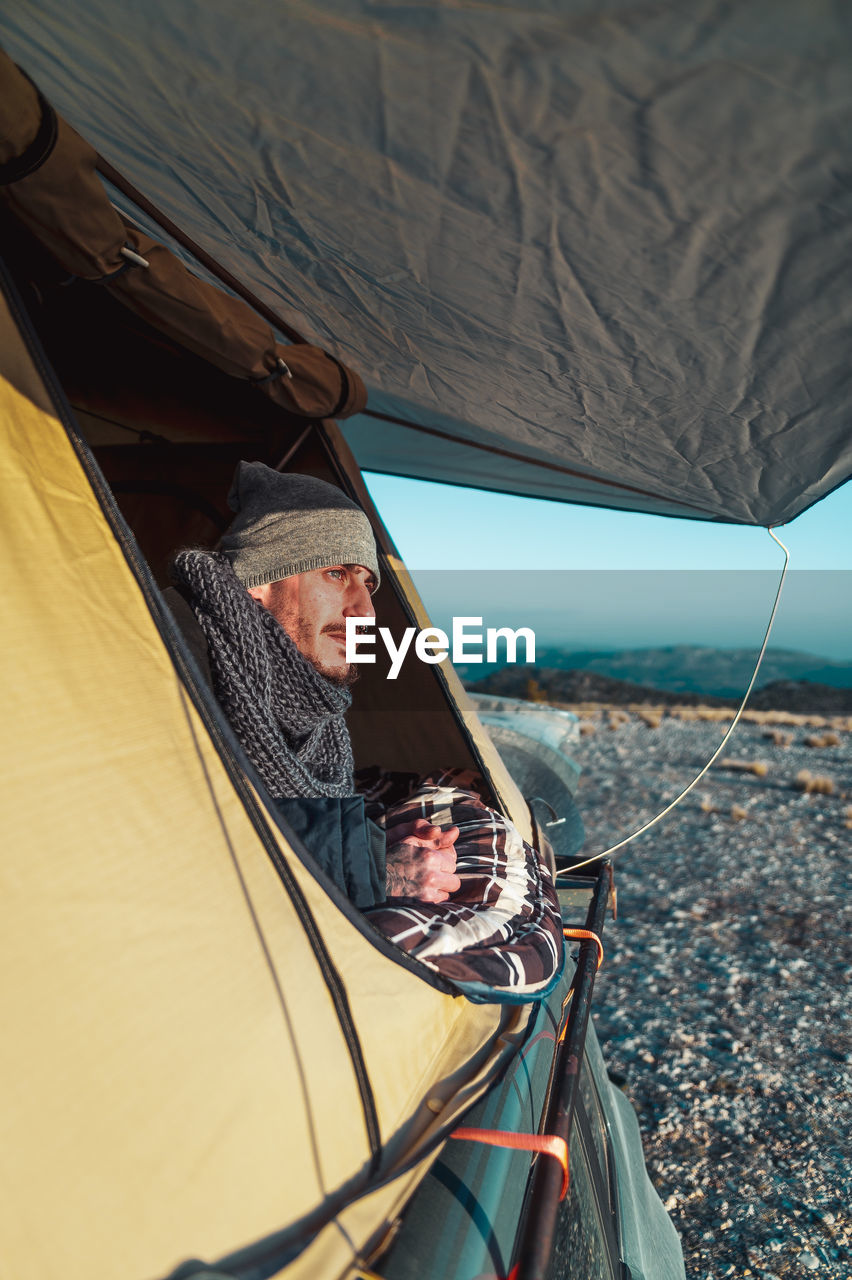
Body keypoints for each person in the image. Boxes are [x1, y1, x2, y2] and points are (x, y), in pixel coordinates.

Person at [166, 460, 460, 910]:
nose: (365, 613)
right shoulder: (172, 653)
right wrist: (377, 871)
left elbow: (279, 814)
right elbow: (181, 836)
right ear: (259, 581)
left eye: (368, 584)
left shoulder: (308, 704)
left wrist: (371, 841)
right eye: (337, 575)